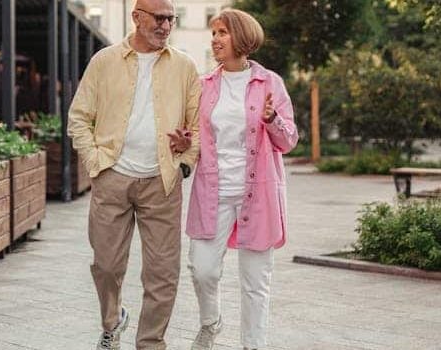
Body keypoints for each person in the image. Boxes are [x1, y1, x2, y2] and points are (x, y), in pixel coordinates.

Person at [66, 0, 200, 348]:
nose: (166, 25)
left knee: (163, 274)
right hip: (113, 177)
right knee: (107, 265)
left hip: (163, 181)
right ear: (137, 17)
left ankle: (151, 342)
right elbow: (79, 117)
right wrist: (95, 161)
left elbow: (198, 125)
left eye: (171, 19)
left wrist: (184, 161)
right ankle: (112, 322)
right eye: (159, 18)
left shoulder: (185, 67)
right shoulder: (104, 61)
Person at [184, 8, 298, 350]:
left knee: (255, 282)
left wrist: (272, 119)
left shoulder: (270, 83)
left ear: (242, 38)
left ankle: (253, 345)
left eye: (222, 32)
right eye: (213, 33)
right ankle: (211, 322)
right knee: (202, 269)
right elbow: (193, 137)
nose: (215, 39)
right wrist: (183, 143)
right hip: (212, 192)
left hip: (257, 194)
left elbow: (289, 140)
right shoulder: (204, 86)